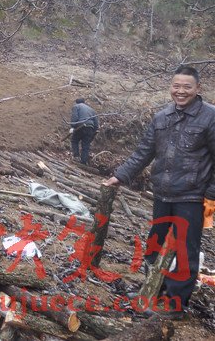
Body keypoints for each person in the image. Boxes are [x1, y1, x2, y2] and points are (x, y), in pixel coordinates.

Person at [103, 66, 215, 319]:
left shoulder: (210, 117)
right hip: (163, 194)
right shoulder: (162, 117)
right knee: (155, 244)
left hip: (192, 196)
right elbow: (144, 152)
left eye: (187, 87)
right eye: (176, 86)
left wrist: (211, 194)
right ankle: (155, 289)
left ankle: (175, 304)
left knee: (185, 250)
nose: (180, 91)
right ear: (170, 87)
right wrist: (120, 175)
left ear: (198, 88)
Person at [69, 97, 99, 164]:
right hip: (90, 127)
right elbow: (96, 124)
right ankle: (84, 161)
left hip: (81, 125)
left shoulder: (76, 106)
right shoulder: (91, 110)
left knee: (74, 140)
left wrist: (72, 126)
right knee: (86, 145)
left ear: (76, 102)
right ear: (84, 102)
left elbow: (74, 117)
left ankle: (76, 157)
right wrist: (93, 131)